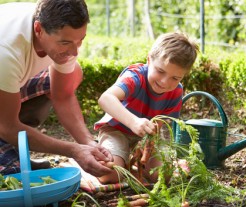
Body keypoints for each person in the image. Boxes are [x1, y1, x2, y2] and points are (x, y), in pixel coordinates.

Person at [0, 0, 114, 176]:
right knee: (13, 176)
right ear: (38, 29)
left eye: (80, 40)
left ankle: (13, 147)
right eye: (65, 43)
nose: (74, 52)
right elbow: (6, 126)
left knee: (72, 73)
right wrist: (73, 150)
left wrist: (88, 144)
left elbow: (63, 95)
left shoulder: (59, 30)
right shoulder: (6, 51)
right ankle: (10, 151)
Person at [94, 32, 199, 184]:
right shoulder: (135, 77)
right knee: (109, 175)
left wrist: (146, 148)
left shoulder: (176, 92)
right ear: (149, 60)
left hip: (146, 138)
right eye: (160, 71)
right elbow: (105, 99)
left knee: (162, 176)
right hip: (116, 131)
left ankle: (135, 163)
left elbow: (158, 126)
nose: (164, 82)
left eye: (175, 78)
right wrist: (133, 122)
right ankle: (112, 158)